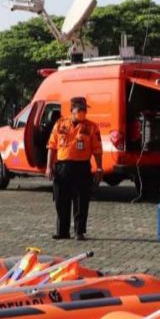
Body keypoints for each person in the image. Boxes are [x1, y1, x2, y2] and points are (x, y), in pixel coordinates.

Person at [46, 96, 103, 240]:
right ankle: (62, 231)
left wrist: (99, 168)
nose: (83, 112)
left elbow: (97, 150)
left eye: (84, 110)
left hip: (82, 167)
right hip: (62, 167)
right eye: (80, 109)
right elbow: (51, 146)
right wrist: (49, 166)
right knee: (61, 200)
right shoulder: (60, 124)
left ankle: (79, 231)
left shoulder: (91, 127)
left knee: (81, 201)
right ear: (72, 110)